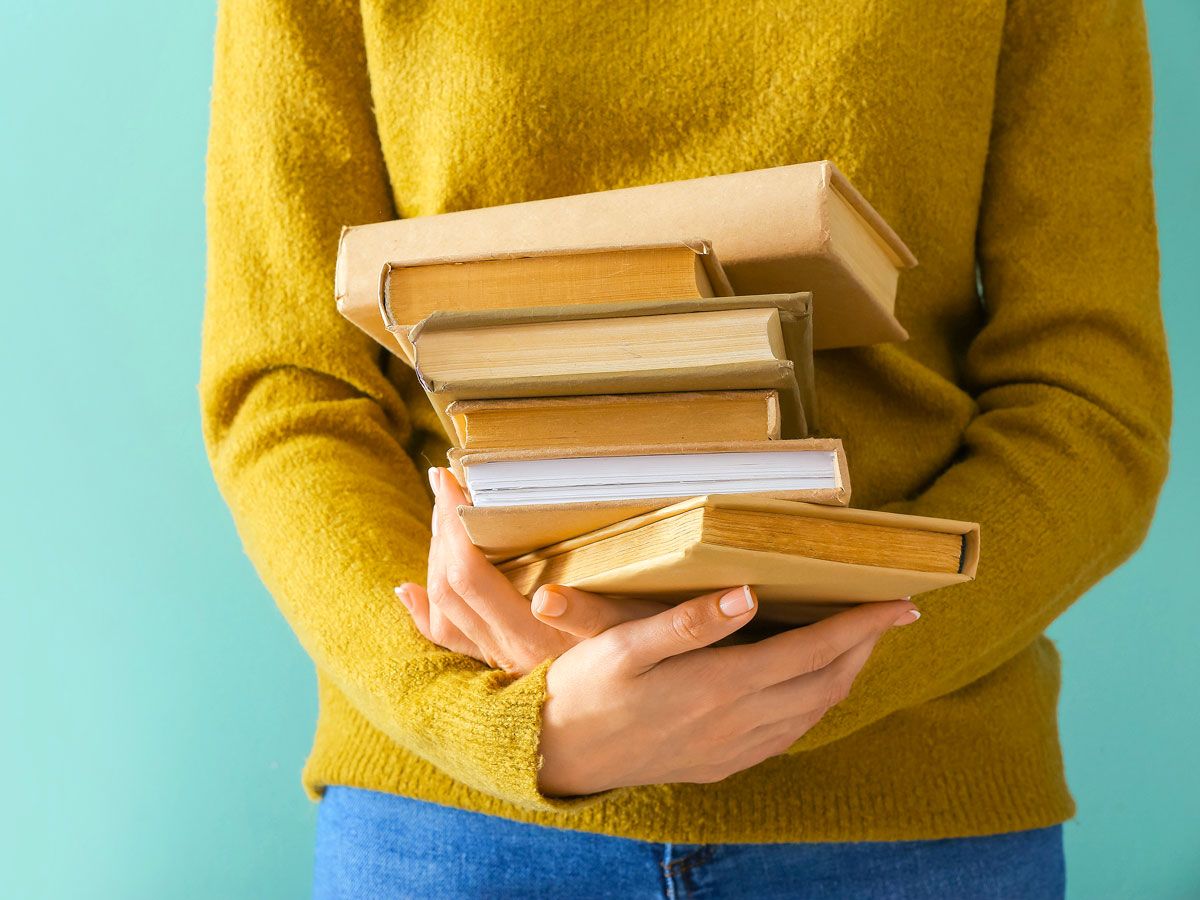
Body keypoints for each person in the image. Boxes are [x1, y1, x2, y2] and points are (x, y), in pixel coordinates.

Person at [200, 0, 1171, 897]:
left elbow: (1088, 403)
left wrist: (802, 675)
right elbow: (290, 393)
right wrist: (491, 720)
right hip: (459, 821)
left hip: (905, 813)